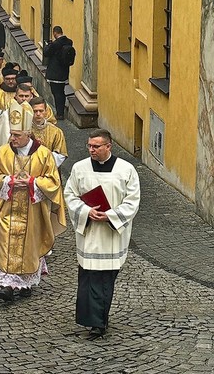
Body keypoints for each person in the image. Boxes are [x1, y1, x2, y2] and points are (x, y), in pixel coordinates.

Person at [0, 102, 66, 302]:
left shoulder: (43, 154)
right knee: (4, 242)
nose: (12, 139)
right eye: (11, 134)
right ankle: (6, 285)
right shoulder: (3, 152)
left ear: (28, 134)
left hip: (33, 210)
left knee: (29, 244)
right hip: (6, 207)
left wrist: (32, 183)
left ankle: (26, 281)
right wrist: (8, 181)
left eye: (16, 135)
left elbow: (54, 181)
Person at [63, 129, 140, 339]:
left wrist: (111, 216)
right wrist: (87, 212)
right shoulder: (80, 168)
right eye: (89, 146)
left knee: (105, 280)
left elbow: (132, 201)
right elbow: (70, 195)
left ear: (108, 146)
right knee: (88, 278)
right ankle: (94, 322)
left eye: (96, 146)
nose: (91, 150)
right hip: (89, 233)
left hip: (111, 236)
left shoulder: (126, 170)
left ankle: (99, 322)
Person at [43, 26, 74, 120]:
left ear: (55, 33)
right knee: (61, 92)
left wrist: (47, 45)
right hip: (64, 72)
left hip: (54, 72)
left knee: (56, 93)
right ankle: (61, 111)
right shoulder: (69, 42)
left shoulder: (55, 44)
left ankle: (59, 113)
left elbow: (46, 53)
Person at [30, 96, 68, 167]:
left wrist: (44, 164)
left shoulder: (56, 131)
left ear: (46, 111)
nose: (38, 114)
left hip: (49, 168)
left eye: (41, 111)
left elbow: (61, 154)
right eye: (35, 111)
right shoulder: (24, 130)